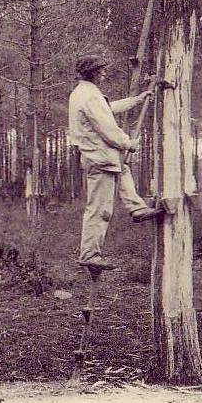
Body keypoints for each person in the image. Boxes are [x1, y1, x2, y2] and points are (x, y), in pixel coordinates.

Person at [68, 55, 164, 270]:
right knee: (99, 209)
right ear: (91, 72)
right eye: (100, 70)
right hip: (99, 157)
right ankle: (90, 254)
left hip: (103, 157)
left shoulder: (85, 93)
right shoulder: (88, 96)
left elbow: (107, 108)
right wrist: (128, 143)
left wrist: (137, 100)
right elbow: (107, 128)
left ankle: (136, 208)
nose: (104, 73)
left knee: (123, 170)